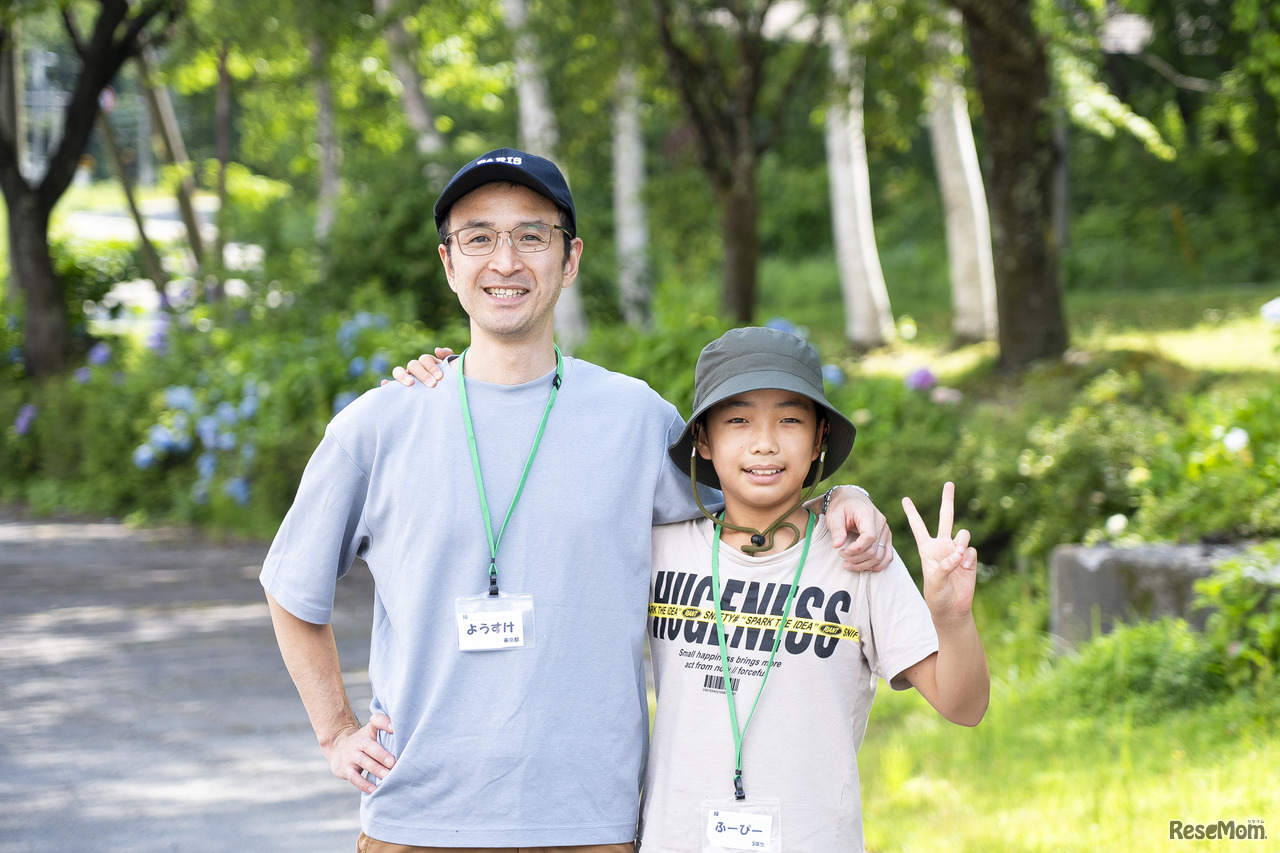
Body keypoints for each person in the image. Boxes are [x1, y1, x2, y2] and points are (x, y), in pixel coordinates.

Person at [261, 148, 893, 852]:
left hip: (593, 823)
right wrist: (335, 730)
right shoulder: (377, 426)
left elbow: (759, 507)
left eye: (532, 235)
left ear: (570, 259)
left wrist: (841, 494)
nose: (506, 260)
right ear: (448, 263)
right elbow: (291, 587)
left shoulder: (635, 418)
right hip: (419, 820)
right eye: (479, 237)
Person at [637, 326, 990, 853]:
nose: (765, 442)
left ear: (820, 436)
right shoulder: (658, 549)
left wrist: (953, 617)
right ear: (704, 440)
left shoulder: (860, 557)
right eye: (737, 419)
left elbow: (964, 706)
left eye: (790, 419)